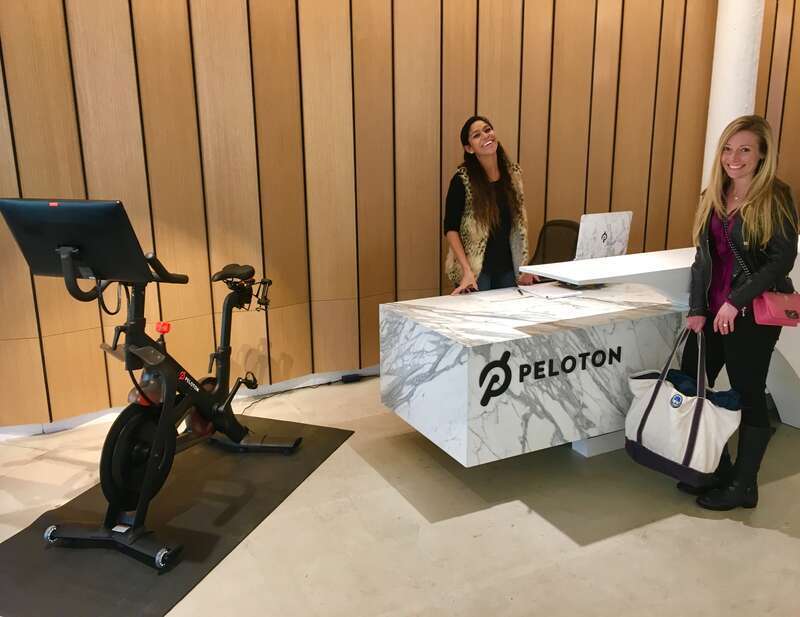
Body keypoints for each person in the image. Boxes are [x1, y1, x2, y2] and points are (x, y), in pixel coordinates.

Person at [682, 114, 799, 511]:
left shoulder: (775, 196)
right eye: (729, 149)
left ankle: (744, 486)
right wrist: (697, 307)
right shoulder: (712, 193)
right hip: (713, 312)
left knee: (749, 393)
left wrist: (737, 300)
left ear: (762, 153)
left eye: (745, 149)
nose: (735, 158)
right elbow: (702, 259)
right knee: (693, 381)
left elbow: (781, 259)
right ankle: (718, 467)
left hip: (750, 315)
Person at [443, 116, 535, 294]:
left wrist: (524, 267)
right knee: (476, 320)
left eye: (487, 130)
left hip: (507, 268)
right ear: (469, 148)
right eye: (477, 135)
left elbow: (519, 226)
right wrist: (467, 271)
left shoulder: (513, 175)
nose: (486, 136)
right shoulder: (463, 180)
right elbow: (450, 228)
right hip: (477, 271)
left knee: (507, 319)